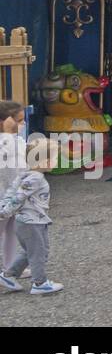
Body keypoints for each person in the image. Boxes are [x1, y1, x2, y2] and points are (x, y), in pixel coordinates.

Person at [0, 135, 61, 294]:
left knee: (32, 250)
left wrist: (4, 206)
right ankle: (39, 283)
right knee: (38, 252)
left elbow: (11, 191)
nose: (56, 162)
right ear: (45, 161)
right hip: (31, 222)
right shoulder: (35, 178)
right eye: (54, 158)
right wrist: (6, 211)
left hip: (30, 221)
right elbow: (19, 196)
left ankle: (9, 275)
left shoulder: (26, 175)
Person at [0, 100, 28, 277]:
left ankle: (8, 267)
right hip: (2, 195)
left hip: (13, 194)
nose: (23, 124)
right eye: (18, 120)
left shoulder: (14, 140)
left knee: (11, 230)